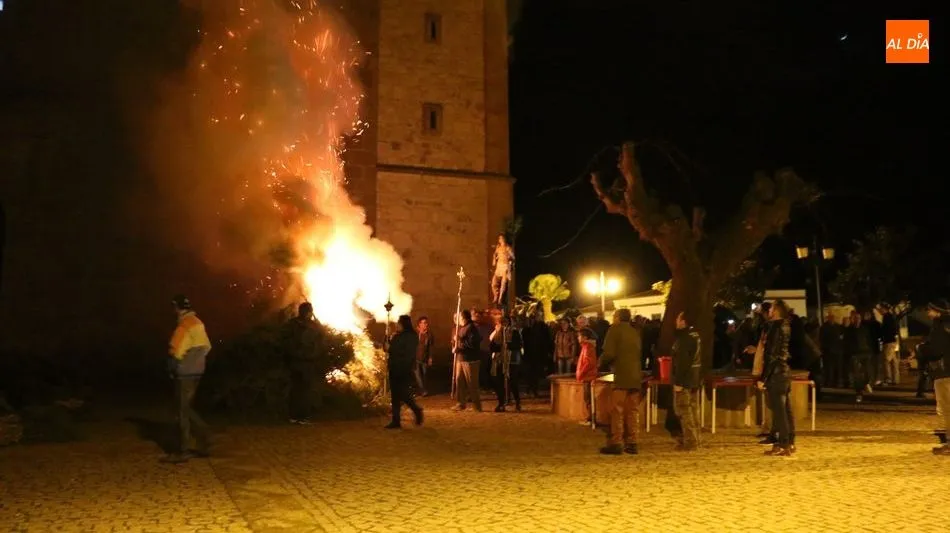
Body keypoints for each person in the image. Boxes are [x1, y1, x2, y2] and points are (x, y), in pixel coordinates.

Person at [162, 295, 212, 464]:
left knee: (182, 410)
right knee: (186, 407)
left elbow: (175, 351)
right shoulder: (198, 322)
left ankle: (185, 449)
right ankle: (203, 441)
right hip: (198, 371)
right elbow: (207, 346)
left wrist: (172, 369)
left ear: (176, 307)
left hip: (185, 373)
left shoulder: (184, 325)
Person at [599, 308, 643, 455]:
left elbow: (609, 353)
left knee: (617, 409)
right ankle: (633, 442)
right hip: (635, 375)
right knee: (633, 410)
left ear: (617, 318)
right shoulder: (634, 332)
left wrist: (600, 363)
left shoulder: (614, 330)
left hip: (621, 374)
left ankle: (617, 442)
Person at [760, 299, 795, 457]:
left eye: (772, 307)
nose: (769, 310)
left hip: (777, 374)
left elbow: (772, 355)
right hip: (784, 371)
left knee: (780, 412)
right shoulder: (786, 325)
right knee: (786, 410)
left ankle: (784, 444)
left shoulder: (776, 327)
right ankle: (789, 442)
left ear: (776, 311)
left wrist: (763, 377)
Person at [285, 302, 322, 425]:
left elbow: (286, 342)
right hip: (306, 363)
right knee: (305, 391)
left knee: (295, 390)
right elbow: (320, 338)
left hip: (295, 362)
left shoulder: (291, 324)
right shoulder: (313, 326)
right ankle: (303, 417)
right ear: (308, 312)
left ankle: (293, 416)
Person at [921, 300, 950, 455]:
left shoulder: (940, 327)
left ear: (937, 311)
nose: (928, 313)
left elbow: (935, 350)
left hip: (944, 372)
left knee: (947, 409)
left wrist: (921, 348)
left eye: (930, 310)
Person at [385, 315, 424, 429]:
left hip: (400, 368)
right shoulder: (406, 336)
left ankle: (416, 410)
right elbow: (389, 348)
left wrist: (390, 345)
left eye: (399, 323)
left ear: (403, 324)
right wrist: (388, 338)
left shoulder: (405, 337)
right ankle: (396, 420)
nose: (397, 325)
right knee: (396, 396)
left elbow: (394, 350)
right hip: (400, 368)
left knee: (402, 394)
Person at [671, 312, 701, 450]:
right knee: (693, 410)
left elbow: (683, 362)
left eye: (678, 319)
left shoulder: (685, 338)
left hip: (686, 380)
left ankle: (690, 441)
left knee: (684, 411)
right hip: (694, 378)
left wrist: (678, 382)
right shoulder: (695, 335)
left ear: (683, 322)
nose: (676, 321)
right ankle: (696, 439)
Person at [490, 315, 523, 412]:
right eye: (502, 323)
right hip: (500, 360)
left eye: (505, 322)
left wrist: (508, 345)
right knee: (498, 382)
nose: (504, 324)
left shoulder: (515, 332)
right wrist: (499, 347)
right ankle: (501, 403)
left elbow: (518, 345)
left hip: (511, 361)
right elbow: (492, 346)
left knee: (513, 382)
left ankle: (517, 402)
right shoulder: (498, 333)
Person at [452, 310, 483, 411]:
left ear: (464, 318)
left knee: (472, 383)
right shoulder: (461, 328)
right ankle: (461, 403)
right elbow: (460, 342)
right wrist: (456, 345)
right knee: (459, 381)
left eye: (459, 318)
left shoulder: (472, 328)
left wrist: (460, 341)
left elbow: (473, 344)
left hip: (470, 360)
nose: (458, 320)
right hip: (461, 359)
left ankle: (477, 406)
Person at [575, 328, 599, 425]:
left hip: (588, 376)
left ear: (584, 337)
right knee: (587, 398)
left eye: (579, 336)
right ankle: (589, 418)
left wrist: (581, 372)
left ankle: (590, 419)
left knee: (588, 398)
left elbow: (589, 362)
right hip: (587, 376)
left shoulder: (588, 347)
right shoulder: (586, 346)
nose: (578, 338)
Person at [490, 234, 514, 306]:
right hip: (499, 266)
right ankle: (496, 296)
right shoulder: (498, 248)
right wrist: (494, 258)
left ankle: (500, 299)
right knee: (494, 282)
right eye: (500, 238)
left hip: (505, 266)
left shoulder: (508, 248)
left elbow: (512, 257)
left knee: (503, 283)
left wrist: (510, 261)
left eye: (502, 238)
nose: (501, 240)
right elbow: (495, 256)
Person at [880, 306, 901, 385]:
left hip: (888, 341)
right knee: (894, 361)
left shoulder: (886, 317)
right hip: (893, 341)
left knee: (887, 360)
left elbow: (885, 330)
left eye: (881, 309)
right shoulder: (892, 317)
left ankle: (888, 378)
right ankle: (896, 379)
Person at [414, 316, 434, 397]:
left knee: (425, 375)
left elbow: (431, 347)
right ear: (420, 324)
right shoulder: (415, 333)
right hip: (415, 358)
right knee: (418, 375)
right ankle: (423, 391)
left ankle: (422, 390)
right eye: (424, 323)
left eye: (426, 322)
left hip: (425, 358)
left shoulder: (429, 335)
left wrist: (430, 357)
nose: (426, 324)